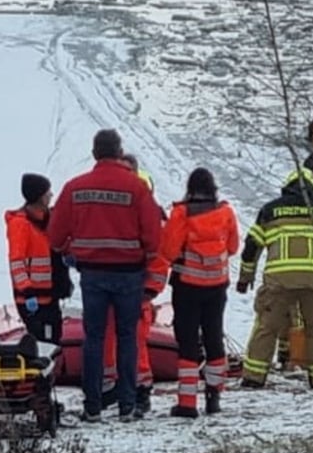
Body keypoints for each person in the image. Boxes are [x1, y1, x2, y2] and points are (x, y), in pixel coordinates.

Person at [48, 129, 163, 422]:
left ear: (94, 152)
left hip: (92, 274)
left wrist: (69, 251)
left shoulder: (75, 187)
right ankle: (127, 406)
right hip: (129, 274)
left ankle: (93, 406)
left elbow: (56, 234)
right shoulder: (137, 189)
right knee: (128, 338)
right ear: (118, 151)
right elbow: (153, 235)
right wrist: (146, 262)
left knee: (94, 339)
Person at [237, 142, 313, 390]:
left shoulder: (270, 211)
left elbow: (251, 247)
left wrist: (245, 278)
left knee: (266, 329)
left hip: (279, 281)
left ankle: (253, 379)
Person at [159, 167, 240, 417]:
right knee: (214, 338)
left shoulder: (181, 213)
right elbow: (234, 247)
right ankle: (214, 396)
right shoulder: (226, 212)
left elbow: (168, 251)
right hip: (217, 286)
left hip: (187, 288)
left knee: (188, 344)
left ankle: (187, 403)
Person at [100, 151, 169, 415]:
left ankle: (140, 391)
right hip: (115, 283)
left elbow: (160, 255)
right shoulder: (118, 204)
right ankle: (112, 387)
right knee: (109, 338)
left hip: (137, 288)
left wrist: (151, 289)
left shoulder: (146, 207)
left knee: (136, 342)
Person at [5, 173, 72, 344]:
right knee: (40, 342)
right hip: (32, 299)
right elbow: (17, 262)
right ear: (38, 196)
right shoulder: (20, 224)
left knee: (54, 339)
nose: (51, 195)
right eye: (47, 192)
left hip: (51, 296)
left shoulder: (49, 220)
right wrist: (27, 291)